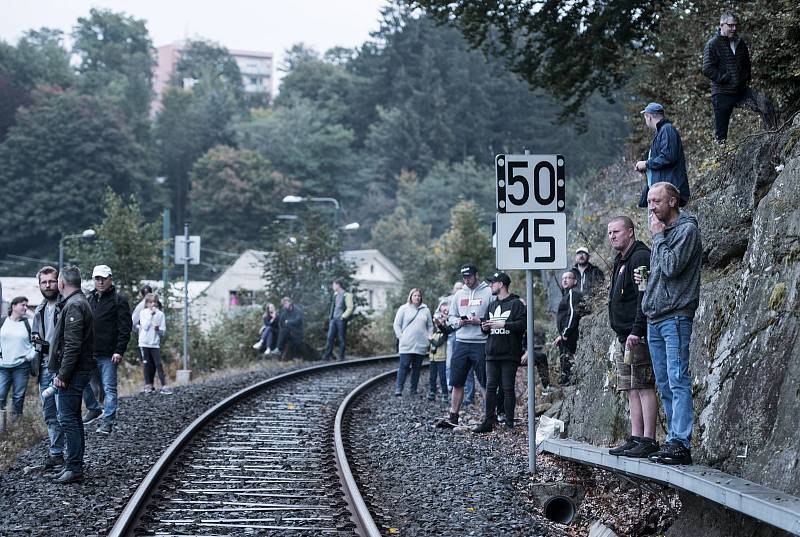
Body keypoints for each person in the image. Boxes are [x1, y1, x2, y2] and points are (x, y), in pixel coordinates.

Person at [639, 182, 702, 465]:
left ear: (673, 201)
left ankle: (681, 443)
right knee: (664, 383)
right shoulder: (663, 233)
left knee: (677, 380)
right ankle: (672, 440)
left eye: (656, 201)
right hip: (655, 316)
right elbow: (661, 274)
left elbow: (672, 267)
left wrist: (658, 239)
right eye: (650, 201)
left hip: (675, 316)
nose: (651, 207)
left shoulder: (686, 230)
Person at [606, 216, 659, 458]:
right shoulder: (621, 259)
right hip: (623, 335)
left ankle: (649, 439)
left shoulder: (640, 256)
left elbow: (644, 297)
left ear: (630, 232)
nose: (612, 236)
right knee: (630, 387)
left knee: (644, 385)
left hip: (637, 335)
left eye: (616, 231)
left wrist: (637, 330)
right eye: (609, 233)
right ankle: (636, 436)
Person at [49, 266, 95, 484]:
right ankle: (73, 465)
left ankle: (74, 467)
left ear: (61, 284)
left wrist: (63, 374)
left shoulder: (74, 305)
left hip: (74, 372)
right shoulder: (77, 302)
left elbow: (72, 345)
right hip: (79, 370)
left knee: (68, 419)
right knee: (73, 418)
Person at [702, 11, 777, 144]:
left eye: (736, 25)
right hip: (722, 93)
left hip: (741, 91)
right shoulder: (712, 44)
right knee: (721, 135)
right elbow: (707, 68)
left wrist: (746, 78)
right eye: (731, 25)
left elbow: (747, 63)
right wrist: (725, 78)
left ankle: (772, 140)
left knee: (766, 105)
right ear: (722, 25)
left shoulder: (740, 43)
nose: (734, 28)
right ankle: (721, 159)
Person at [438, 264, 493, 428]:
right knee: (457, 381)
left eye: (469, 276)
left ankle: (489, 417)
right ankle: (453, 416)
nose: (467, 280)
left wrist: (480, 322)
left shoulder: (488, 292)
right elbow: (451, 318)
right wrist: (459, 322)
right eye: (464, 277)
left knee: (485, 382)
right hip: (461, 342)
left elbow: (494, 316)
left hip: (481, 343)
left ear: (476, 275)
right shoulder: (458, 295)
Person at [82, 265, 132, 435]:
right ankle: (94, 409)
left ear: (110, 278)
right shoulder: (89, 299)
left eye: (103, 278)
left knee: (109, 388)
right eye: (97, 278)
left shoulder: (119, 300)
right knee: (83, 383)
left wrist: (119, 350)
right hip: (89, 353)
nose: (100, 281)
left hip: (109, 354)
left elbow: (125, 328)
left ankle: (107, 422)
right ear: (93, 280)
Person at [474, 272, 526, 432]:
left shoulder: (516, 303)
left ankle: (509, 424)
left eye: (493, 283)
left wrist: (504, 325)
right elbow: (487, 330)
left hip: (509, 353)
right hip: (492, 353)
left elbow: (522, 325)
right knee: (490, 387)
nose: (490, 286)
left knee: (508, 387)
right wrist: (484, 327)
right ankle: (489, 422)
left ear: (501, 284)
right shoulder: (491, 305)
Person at [31, 266, 65, 469]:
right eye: (44, 282)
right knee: (49, 412)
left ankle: (69, 455)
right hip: (44, 365)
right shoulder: (40, 309)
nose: (48, 285)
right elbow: (37, 335)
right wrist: (36, 339)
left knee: (65, 413)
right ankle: (56, 453)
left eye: (51, 281)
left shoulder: (66, 305)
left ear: (58, 282)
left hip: (61, 366)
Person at [635, 103, 690, 209]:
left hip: (667, 193)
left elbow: (668, 157)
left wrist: (646, 164)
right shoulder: (661, 131)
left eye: (645, 117)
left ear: (649, 117)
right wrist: (646, 167)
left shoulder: (667, 129)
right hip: (662, 192)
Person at [0, 296, 36, 421]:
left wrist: (30, 356)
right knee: (0, 396)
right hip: (3, 366)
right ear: (14, 306)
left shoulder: (28, 323)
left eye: (26, 305)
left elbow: (36, 344)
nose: (25, 308)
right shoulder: (2, 322)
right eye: (23, 305)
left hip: (21, 366)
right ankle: (1, 426)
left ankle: (16, 424)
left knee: (18, 396)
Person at [393, 288, 433, 396]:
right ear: (410, 296)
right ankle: (399, 388)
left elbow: (430, 326)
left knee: (417, 368)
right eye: (415, 295)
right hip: (406, 343)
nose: (417, 297)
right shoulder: (404, 308)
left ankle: (413, 389)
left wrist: (429, 337)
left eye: (419, 296)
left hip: (421, 344)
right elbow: (396, 324)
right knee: (404, 365)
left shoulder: (426, 310)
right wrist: (400, 336)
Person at [554, 271, 583, 386]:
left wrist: (565, 334)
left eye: (568, 278)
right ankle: (567, 384)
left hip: (570, 336)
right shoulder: (567, 294)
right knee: (565, 362)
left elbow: (572, 314)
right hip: (566, 336)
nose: (565, 280)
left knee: (568, 361)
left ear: (575, 281)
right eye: (563, 278)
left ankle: (569, 385)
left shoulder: (573, 293)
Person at [138, 293, 171, 394]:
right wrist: (151, 315)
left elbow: (163, 331)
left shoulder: (160, 314)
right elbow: (145, 326)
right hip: (144, 342)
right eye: (150, 302)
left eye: (154, 302)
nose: (152, 304)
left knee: (158, 364)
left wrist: (158, 329)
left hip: (154, 343)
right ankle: (148, 385)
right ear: (147, 303)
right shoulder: (143, 313)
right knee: (147, 365)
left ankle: (164, 385)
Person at [322, 280, 354, 361]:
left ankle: (341, 357)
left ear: (338, 285)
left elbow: (350, 307)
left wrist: (343, 317)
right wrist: (331, 317)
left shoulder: (347, 295)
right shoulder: (335, 295)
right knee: (330, 337)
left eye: (334, 285)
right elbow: (333, 307)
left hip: (341, 320)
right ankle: (327, 356)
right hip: (333, 319)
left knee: (341, 338)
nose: (333, 287)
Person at [428, 299, 453, 402]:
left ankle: (445, 394)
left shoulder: (444, 333)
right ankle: (432, 392)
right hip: (433, 358)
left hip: (441, 358)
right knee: (432, 377)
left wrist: (431, 340)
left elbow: (437, 343)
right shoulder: (434, 332)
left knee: (442, 377)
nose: (440, 320)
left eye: (442, 319)